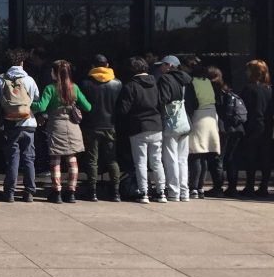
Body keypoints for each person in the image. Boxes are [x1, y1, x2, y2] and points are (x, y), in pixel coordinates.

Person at [31, 60, 92, 203]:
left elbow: (41, 106)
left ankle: (56, 192)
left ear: (55, 73)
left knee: (55, 159)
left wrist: (27, 102)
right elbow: (88, 107)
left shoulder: (50, 89)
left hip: (56, 125)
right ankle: (71, 192)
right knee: (72, 159)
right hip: (73, 127)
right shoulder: (74, 88)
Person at [0, 48, 41, 203]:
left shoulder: (0, 79)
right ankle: (29, 192)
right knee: (29, 158)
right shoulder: (30, 80)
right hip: (29, 123)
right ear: (22, 63)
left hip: (11, 124)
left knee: (13, 158)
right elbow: (37, 99)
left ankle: (10, 192)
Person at [116, 57, 164, 203]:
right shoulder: (155, 83)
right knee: (157, 161)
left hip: (138, 127)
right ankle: (161, 192)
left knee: (140, 162)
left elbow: (123, 110)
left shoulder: (130, 86)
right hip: (156, 125)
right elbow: (161, 104)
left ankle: (143, 193)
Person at [79, 54, 122, 202]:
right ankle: (116, 192)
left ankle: (92, 192)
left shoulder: (85, 83)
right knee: (111, 159)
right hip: (110, 125)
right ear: (107, 65)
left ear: (93, 67)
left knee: (92, 160)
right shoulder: (117, 83)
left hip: (91, 125)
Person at [183, 55, 220, 200]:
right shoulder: (208, 82)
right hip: (211, 116)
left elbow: (192, 103)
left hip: (199, 117)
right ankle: (200, 187)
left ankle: (193, 188)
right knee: (204, 155)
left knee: (195, 154)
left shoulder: (192, 83)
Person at [157, 55, 192, 203]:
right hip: (185, 121)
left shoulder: (165, 79)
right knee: (183, 159)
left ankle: (173, 191)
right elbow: (193, 102)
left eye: (163, 65)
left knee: (171, 158)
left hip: (172, 122)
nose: (161, 67)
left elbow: (163, 99)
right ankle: (185, 192)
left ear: (170, 65)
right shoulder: (188, 80)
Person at [209, 66, 246, 196]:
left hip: (224, 128)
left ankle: (218, 187)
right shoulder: (227, 89)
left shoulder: (214, 91)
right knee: (232, 158)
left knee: (218, 158)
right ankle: (232, 188)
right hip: (237, 128)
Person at [239, 58, 274, 195]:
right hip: (266, 125)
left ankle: (250, 186)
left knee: (251, 156)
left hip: (252, 125)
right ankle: (264, 186)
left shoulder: (249, 88)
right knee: (265, 156)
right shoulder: (268, 89)